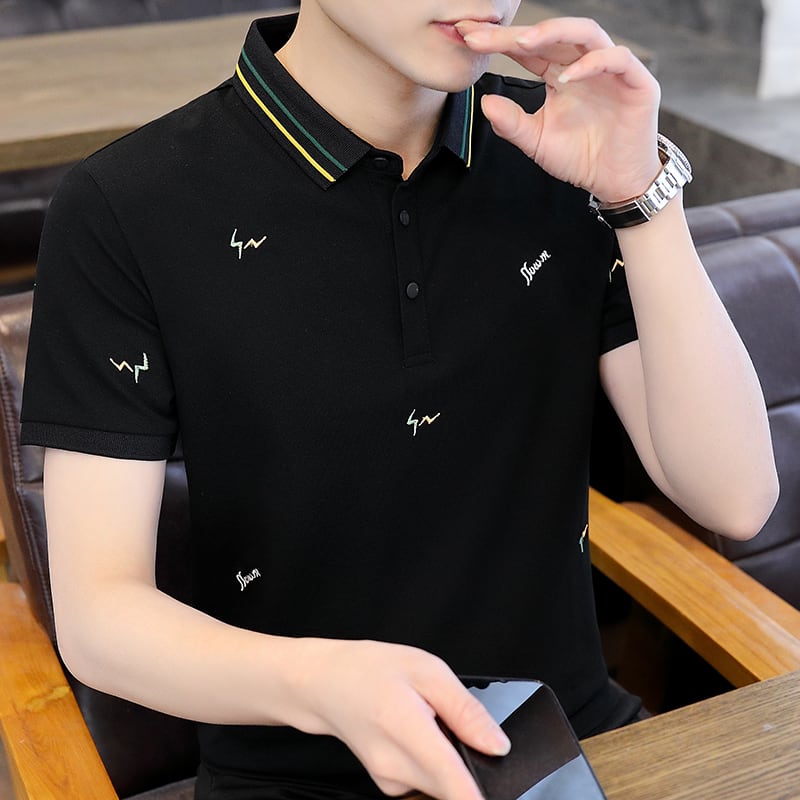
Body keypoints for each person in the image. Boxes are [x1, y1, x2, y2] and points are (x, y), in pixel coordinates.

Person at [20, 3, 778, 799]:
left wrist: (640, 197)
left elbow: (735, 498)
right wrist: (323, 683)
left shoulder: (561, 139)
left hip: (572, 749)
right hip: (292, 782)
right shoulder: (126, 204)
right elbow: (100, 618)